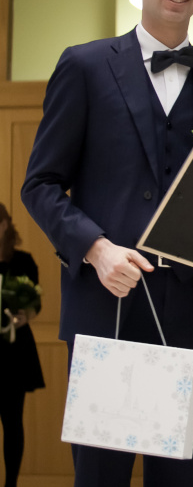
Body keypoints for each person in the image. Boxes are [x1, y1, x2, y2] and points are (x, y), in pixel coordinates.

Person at [21, 0, 193, 487]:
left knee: (179, 479)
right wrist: (96, 249)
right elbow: (40, 185)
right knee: (101, 478)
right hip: (107, 305)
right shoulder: (84, 66)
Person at [0, 203, 45, 487]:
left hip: (14, 352)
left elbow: (34, 305)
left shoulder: (23, 261)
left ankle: (11, 484)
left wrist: (21, 317)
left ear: (5, 225)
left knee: (12, 422)